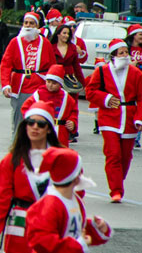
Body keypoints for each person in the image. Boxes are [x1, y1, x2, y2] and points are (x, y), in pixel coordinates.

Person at [0, 101, 63, 253]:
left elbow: (75, 198)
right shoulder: (12, 161)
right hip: (19, 230)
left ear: (49, 129)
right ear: (25, 126)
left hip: (52, 228)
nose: (35, 127)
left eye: (41, 124)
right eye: (31, 122)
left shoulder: (64, 160)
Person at [84, 38, 142, 202]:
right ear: (113, 55)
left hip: (129, 119)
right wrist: (106, 98)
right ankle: (116, 190)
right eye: (121, 53)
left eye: (126, 52)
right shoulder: (102, 71)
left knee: (125, 157)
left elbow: (141, 98)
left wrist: (139, 119)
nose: (125, 55)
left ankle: (117, 180)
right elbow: (90, 91)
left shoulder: (136, 73)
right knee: (113, 154)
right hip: (109, 118)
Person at [25, 148, 112, 252]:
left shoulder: (74, 200)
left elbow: (74, 227)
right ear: (76, 178)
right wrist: (77, 245)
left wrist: (96, 228)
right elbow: (42, 242)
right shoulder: (49, 205)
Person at [0, 11, 57, 134]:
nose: (28, 26)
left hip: (39, 85)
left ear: (36, 26)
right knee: (19, 119)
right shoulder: (15, 42)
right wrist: (5, 85)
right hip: (20, 86)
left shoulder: (45, 43)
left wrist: (53, 83)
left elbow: (52, 65)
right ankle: (17, 145)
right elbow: (5, 64)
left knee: (38, 117)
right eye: (26, 23)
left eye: (31, 23)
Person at [21, 65, 78, 148]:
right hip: (42, 128)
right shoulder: (39, 94)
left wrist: (72, 121)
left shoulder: (66, 97)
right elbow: (25, 108)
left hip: (60, 132)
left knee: (59, 154)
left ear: (60, 84)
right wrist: (32, 120)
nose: (50, 85)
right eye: (48, 82)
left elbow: (74, 111)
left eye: (54, 83)